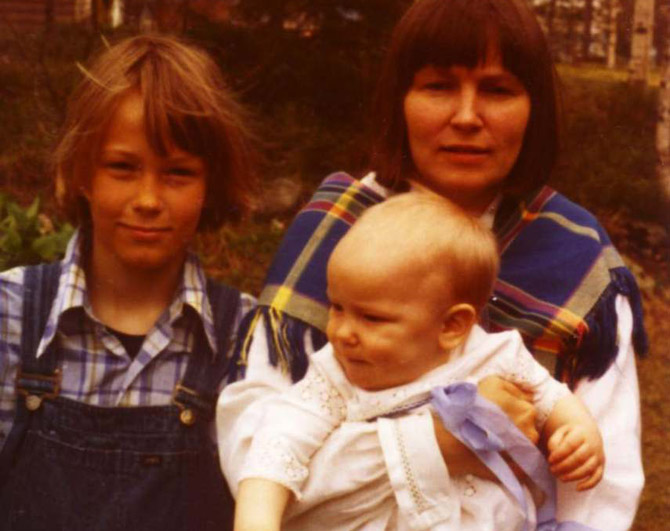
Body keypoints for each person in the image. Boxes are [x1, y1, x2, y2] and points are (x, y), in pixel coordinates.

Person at [218, 0, 647, 529]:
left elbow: (601, 495)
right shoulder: (333, 232)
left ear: (533, 108)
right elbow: (255, 456)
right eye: (438, 86)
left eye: (497, 90)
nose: (466, 117)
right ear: (400, 101)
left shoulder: (576, 259)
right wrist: (436, 445)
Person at [0, 34, 257, 531]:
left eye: (178, 173)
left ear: (210, 185)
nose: (148, 199)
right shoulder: (10, 315)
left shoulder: (244, 340)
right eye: (122, 167)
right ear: (81, 174)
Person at [228, 193, 605, 531]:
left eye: (371, 318)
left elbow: (551, 396)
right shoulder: (335, 376)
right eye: (337, 307)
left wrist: (578, 431)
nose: (342, 333)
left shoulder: (494, 355)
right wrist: (256, 521)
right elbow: (278, 445)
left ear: (452, 326)